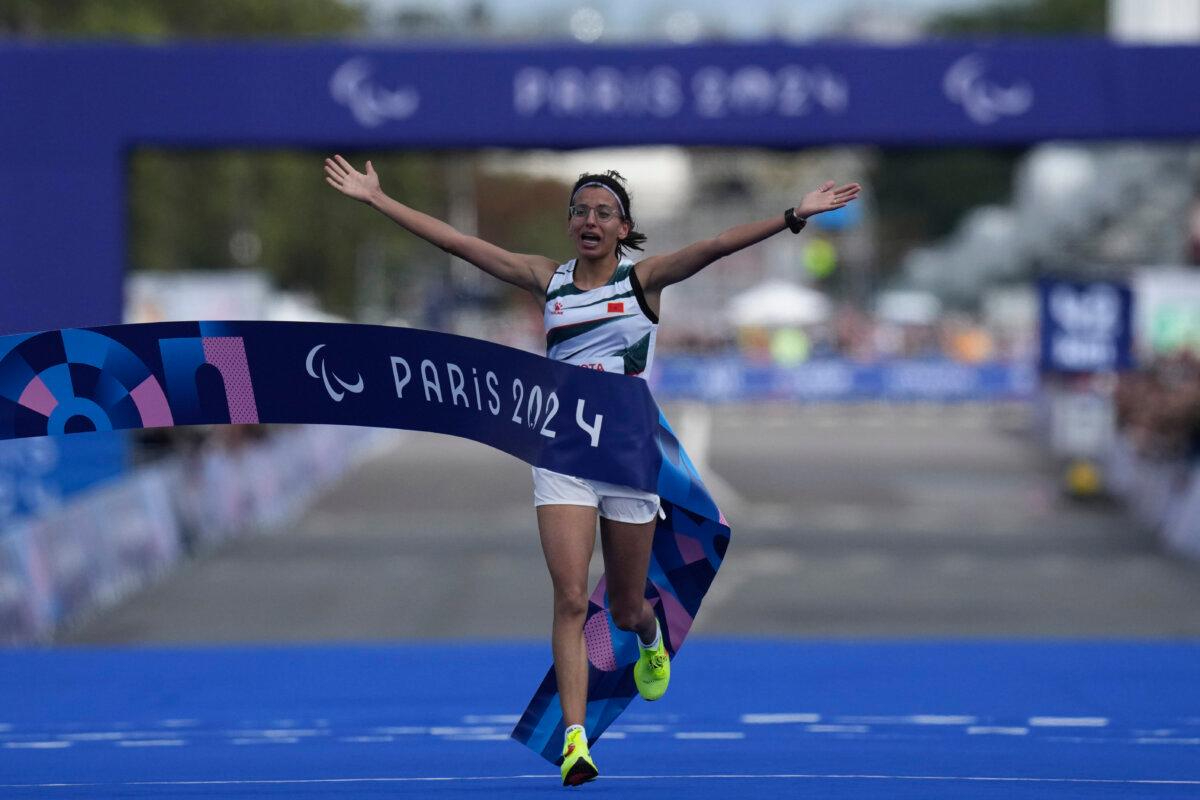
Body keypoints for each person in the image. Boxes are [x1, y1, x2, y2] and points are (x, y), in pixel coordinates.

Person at [324, 155, 859, 786]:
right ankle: (575, 741)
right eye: (580, 210)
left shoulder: (644, 282)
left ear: (623, 227)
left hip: (629, 457)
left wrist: (793, 216)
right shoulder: (545, 280)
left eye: (603, 212)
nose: (589, 219)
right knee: (573, 598)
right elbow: (459, 243)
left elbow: (715, 245)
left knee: (625, 607)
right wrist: (378, 200)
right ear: (570, 223)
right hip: (562, 457)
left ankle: (650, 634)